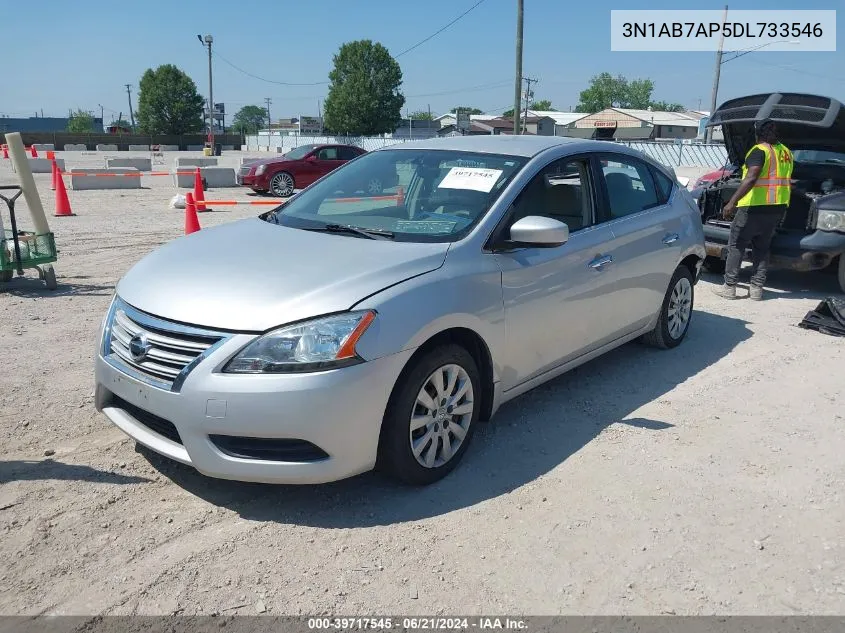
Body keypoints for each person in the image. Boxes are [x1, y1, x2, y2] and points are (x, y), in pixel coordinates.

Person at [713, 119, 793, 301]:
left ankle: (730, 287)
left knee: (736, 245)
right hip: (776, 208)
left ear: (757, 133)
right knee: (762, 248)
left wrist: (732, 202)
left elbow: (751, 178)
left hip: (753, 208)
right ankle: (756, 289)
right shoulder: (786, 152)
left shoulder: (759, 151)